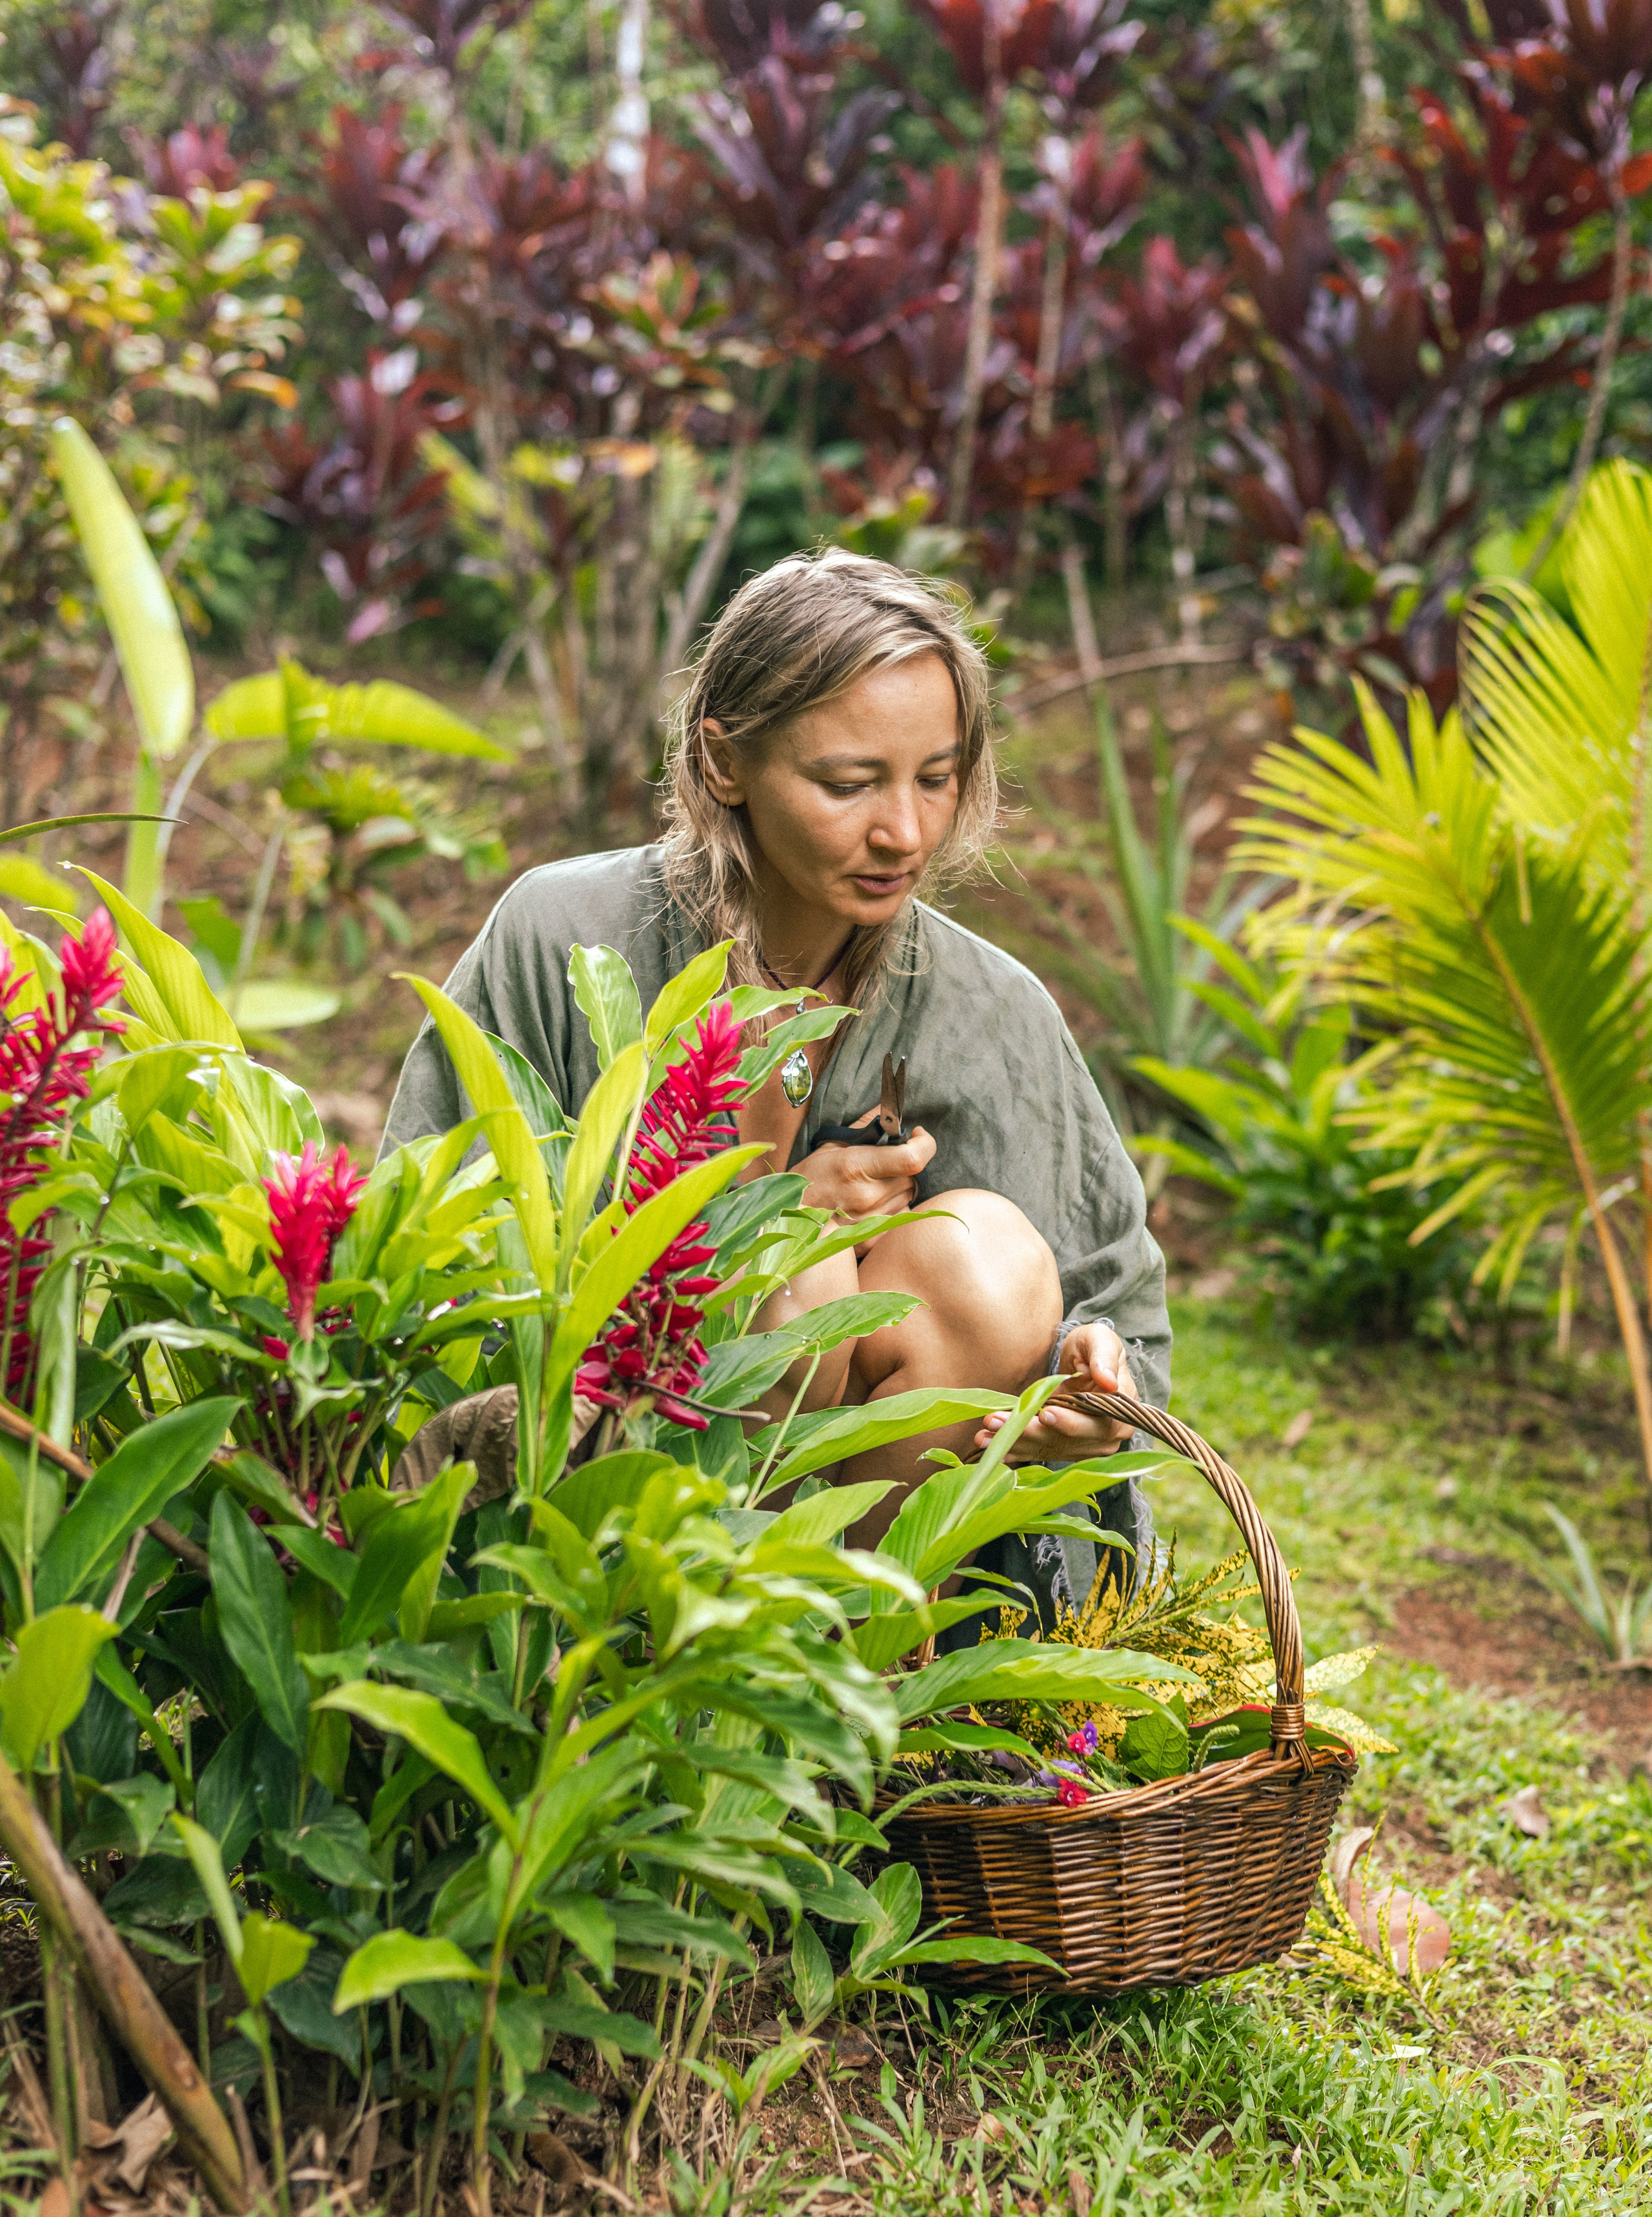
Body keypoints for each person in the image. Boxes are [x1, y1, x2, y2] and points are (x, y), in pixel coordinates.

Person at [382, 548, 1170, 1615]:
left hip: (883, 1542)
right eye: (849, 784)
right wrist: (749, 1220)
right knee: (795, 1280)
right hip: (584, 1510)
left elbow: (1116, 1304)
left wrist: (1096, 1387)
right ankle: (647, 1662)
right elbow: (428, 1245)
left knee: (986, 1267)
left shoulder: (992, 1010)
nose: (905, 831)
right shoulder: (561, 940)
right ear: (724, 762)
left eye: (936, 779)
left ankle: (847, 1671)